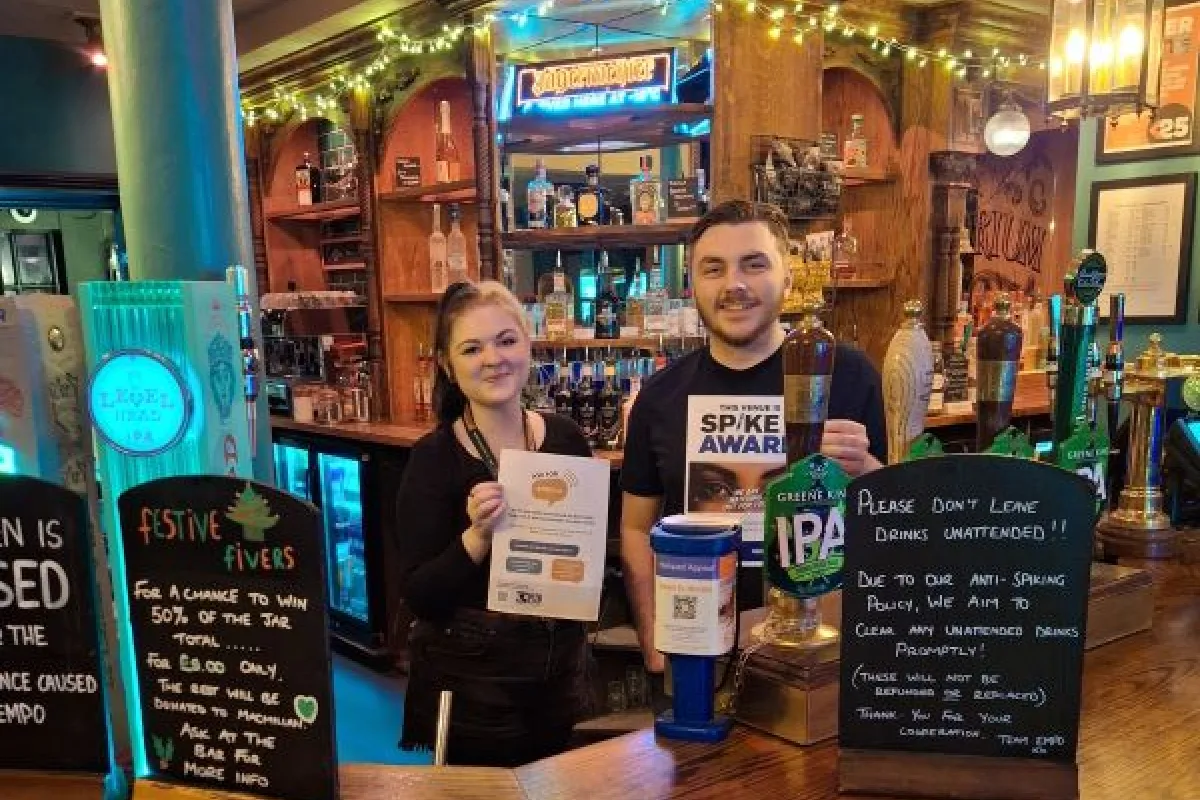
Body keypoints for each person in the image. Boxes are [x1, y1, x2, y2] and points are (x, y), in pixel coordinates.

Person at [621, 200, 887, 673]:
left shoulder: (845, 374)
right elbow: (636, 528)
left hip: (820, 649)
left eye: (754, 264)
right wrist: (654, 639)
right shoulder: (661, 395)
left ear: (787, 277)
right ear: (693, 286)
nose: (734, 285)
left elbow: (886, 519)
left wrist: (866, 471)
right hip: (700, 654)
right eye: (713, 269)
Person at [395, 280, 592, 766]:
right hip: (475, 684)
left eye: (506, 341)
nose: (493, 358)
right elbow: (419, 595)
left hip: (560, 671)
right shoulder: (433, 459)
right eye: (472, 348)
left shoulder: (567, 439)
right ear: (447, 363)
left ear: (528, 344)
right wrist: (477, 537)